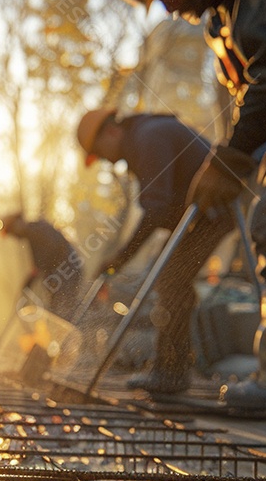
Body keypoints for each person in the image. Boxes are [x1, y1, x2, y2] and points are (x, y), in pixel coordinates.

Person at [109, 0, 266, 410]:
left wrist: (230, 160)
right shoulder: (223, 13)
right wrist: (241, 155)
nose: (167, 7)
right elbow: (257, 91)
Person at [77, 109, 239, 395]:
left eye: (99, 152)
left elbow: (156, 210)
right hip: (201, 215)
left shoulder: (148, 137)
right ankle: (171, 368)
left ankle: (171, 373)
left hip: (213, 211)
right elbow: (164, 208)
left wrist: (120, 259)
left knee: (170, 279)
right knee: (169, 276)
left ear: (111, 131)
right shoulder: (145, 136)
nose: (103, 160)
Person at [0, 212, 83, 322]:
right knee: (57, 308)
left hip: (68, 271)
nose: (14, 236)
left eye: (11, 231)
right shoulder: (33, 233)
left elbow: (50, 250)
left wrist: (37, 270)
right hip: (62, 273)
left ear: (16, 224)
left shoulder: (37, 230)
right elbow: (40, 262)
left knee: (63, 310)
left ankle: (77, 333)